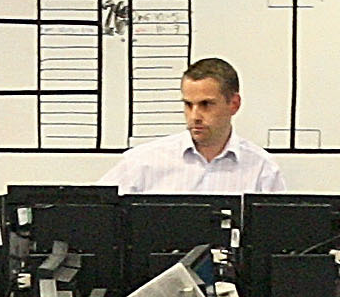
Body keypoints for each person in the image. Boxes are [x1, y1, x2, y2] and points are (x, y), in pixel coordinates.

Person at [105, 57, 288, 195]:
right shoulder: (141, 162)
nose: (195, 116)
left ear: (234, 104)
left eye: (206, 104)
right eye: (188, 105)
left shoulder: (262, 169)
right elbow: (96, 214)